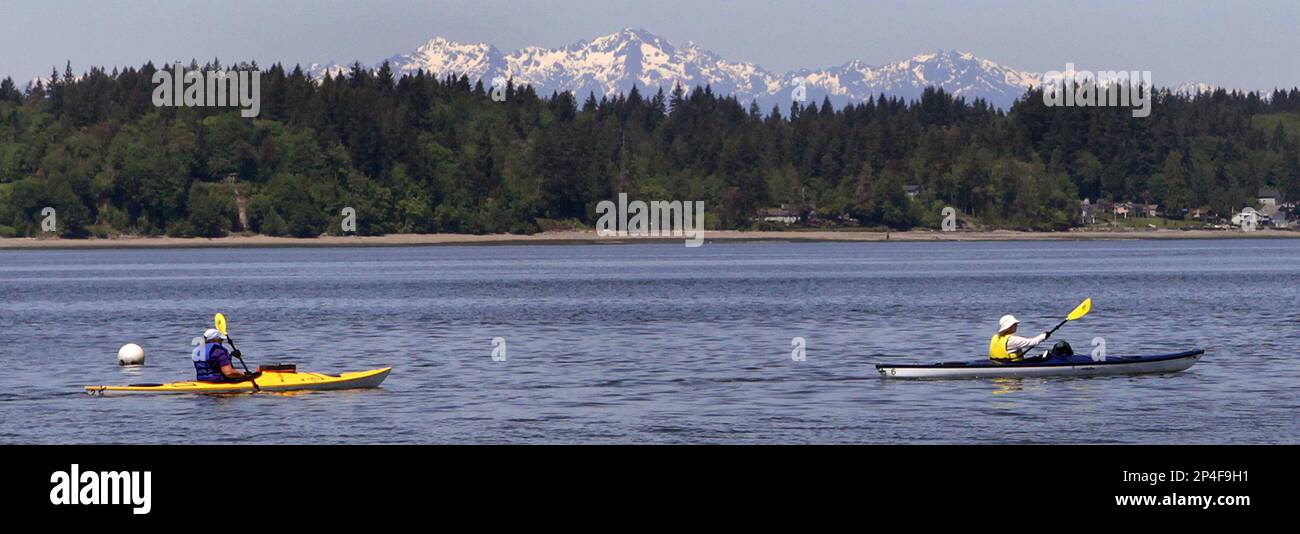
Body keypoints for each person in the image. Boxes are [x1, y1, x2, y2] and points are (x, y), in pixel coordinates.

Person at [192, 328, 257, 382]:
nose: (222, 341)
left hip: (202, 380)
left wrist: (230, 356)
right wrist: (244, 374)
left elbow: (211, 363)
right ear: (216, 339)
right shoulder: (218, 351)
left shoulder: (198, 350)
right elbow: (229, 373)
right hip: (218, 381)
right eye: (221, 339)